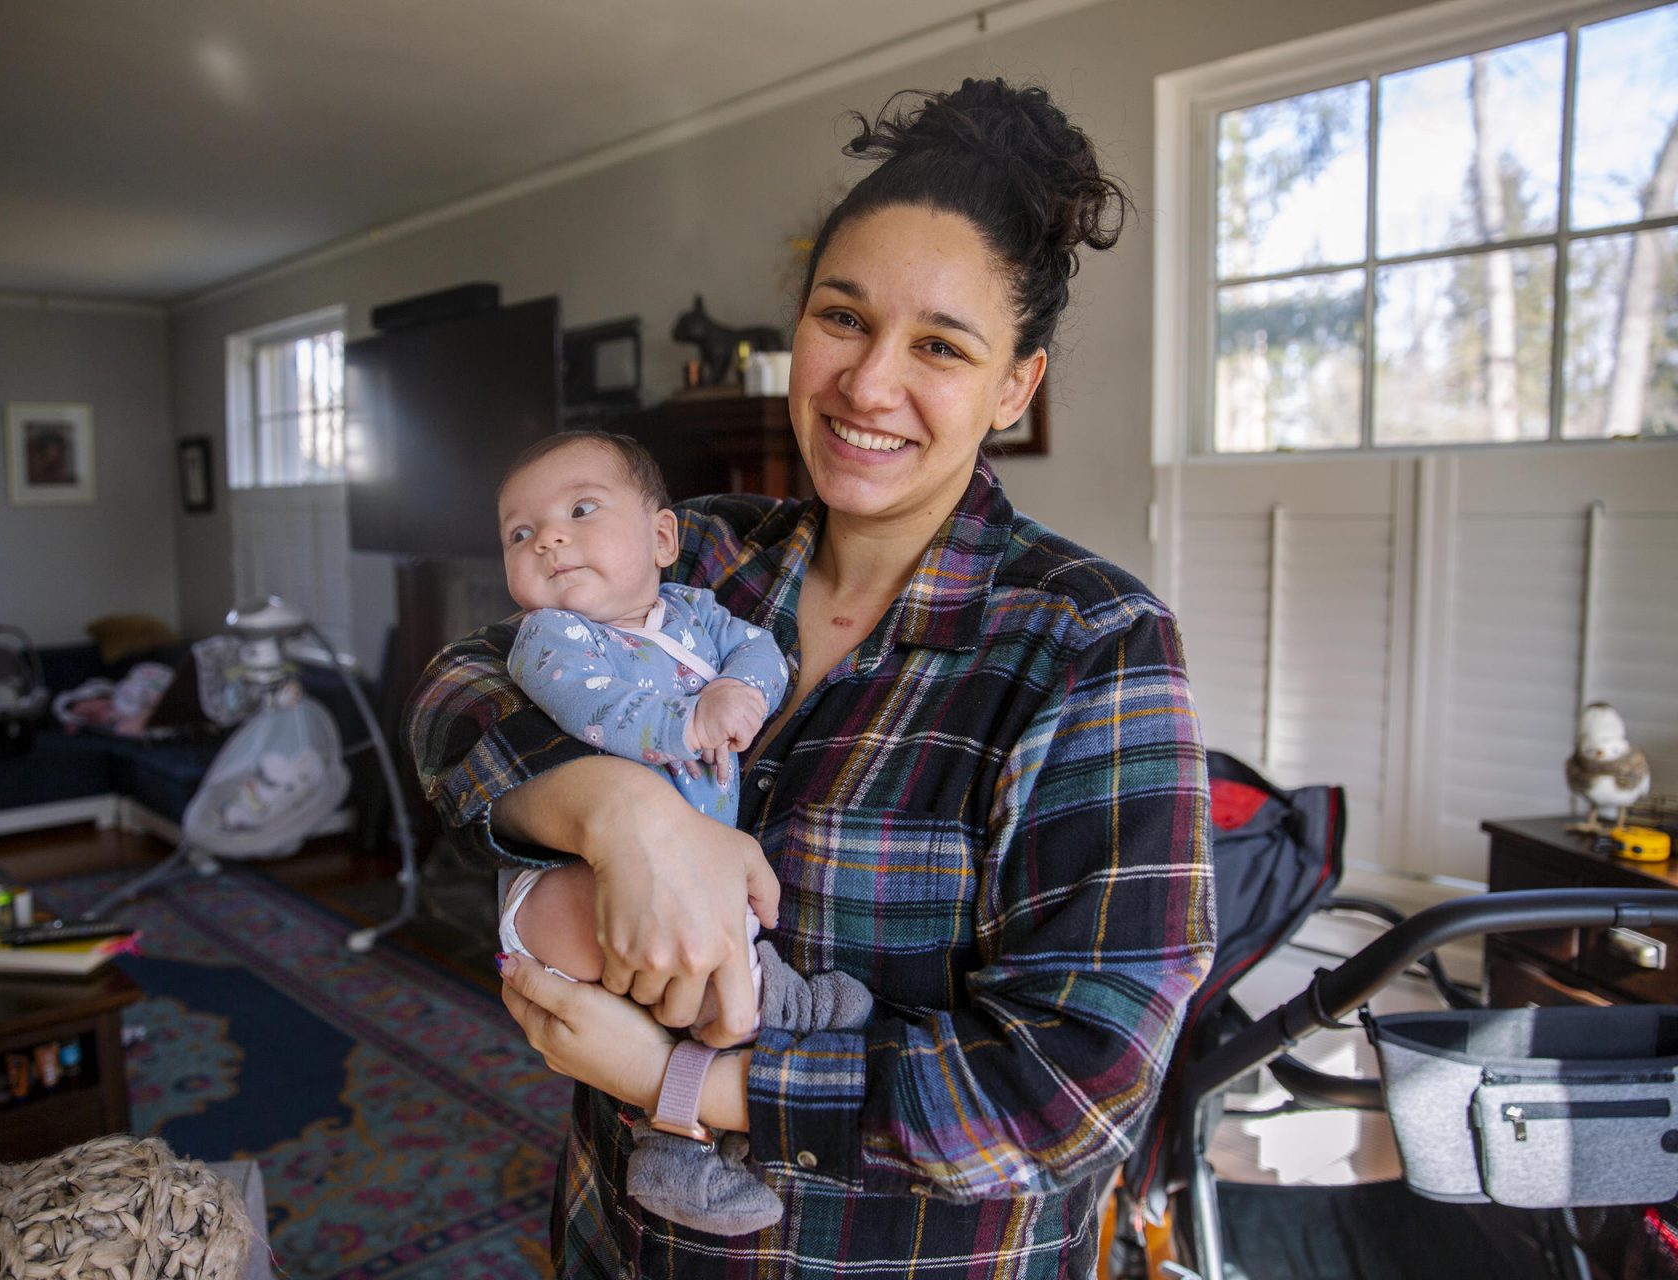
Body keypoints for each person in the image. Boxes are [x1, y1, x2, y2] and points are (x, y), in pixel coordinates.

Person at [406, 77, 1215, 1279]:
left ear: (1015, 387)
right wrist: (618, 814)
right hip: (619, 1241)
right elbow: (459, 686)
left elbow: (1073, 1090)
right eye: (844, 319)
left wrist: (691, 1078)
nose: (868, 384)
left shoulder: (1089, 645)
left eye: (940, 345)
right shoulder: (714, 555)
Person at [492, 428, 876, 1233]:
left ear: (663, 537)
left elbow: (762, 651)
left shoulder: (699, 614)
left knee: (691, 981)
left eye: (580, 510)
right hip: (568, 885)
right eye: (520, 534)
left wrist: (739, 685)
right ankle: (770, 1005)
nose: (548, 538)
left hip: (685, 873)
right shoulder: (551, 638)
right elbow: (596, 708)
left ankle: (684, 1140)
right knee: (672, 971)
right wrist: (688, 718)